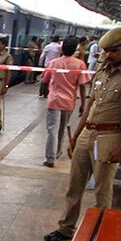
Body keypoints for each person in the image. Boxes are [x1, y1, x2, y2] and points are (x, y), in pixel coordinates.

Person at [45, 27, 121, 241]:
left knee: (102, 190)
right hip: (87, 134)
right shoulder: (101, 71)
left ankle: (100, 232)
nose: (108, 55)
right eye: (106, 51)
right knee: (75, 185)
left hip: (109, 138)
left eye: (114, 51)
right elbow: (89, 106)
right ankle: (66, 227)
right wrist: (75, 136)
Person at [41, 36, 89, 167]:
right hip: (69, 102)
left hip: (54, 100)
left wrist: (48, 91)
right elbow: (83, 86)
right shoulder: (80, 64)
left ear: (61, 48)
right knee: (63, 127)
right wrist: (83, 104)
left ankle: (50, 159)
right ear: (75, 49)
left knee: (52, 130)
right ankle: (57, 151)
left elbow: (44, 80)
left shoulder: (53, 63)